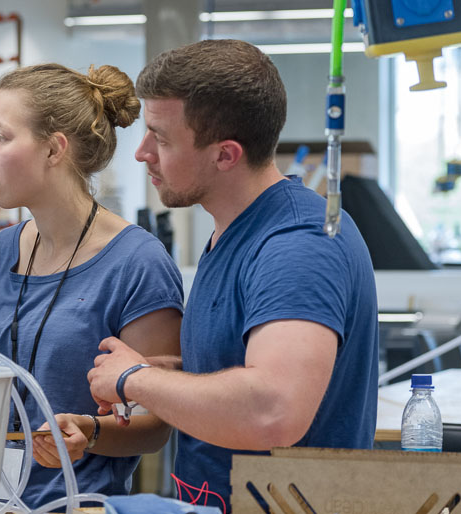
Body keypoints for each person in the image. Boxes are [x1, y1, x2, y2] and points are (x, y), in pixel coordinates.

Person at [87, 39, 379, 506]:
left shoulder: (296, 244)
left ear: (226, 155)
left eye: (160, 138)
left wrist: (134, 380)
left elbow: (273, 410)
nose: (142, 153)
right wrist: (169, 376)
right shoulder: (234, 231)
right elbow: (247, 366)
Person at [0, 63, 183, 507]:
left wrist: (89, 435)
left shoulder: (137, 262)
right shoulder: (1, 252)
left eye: (1, 136)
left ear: (54, 150)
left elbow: (157, 424)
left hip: (78, 503)